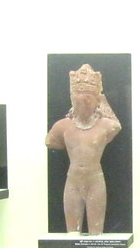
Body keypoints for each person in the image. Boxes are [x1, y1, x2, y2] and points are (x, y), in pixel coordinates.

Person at [45, 64, 122, 235]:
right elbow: (50, 142)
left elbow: (117, 126)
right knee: (72, 234)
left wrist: (102, 99)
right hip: (73, 181)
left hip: (95, 180)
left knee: (96, 233)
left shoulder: (105, 125)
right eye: (77, 99)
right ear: (71, 100)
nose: (83, 103)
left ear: (96, 101)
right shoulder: (62, 126)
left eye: (87, 99)